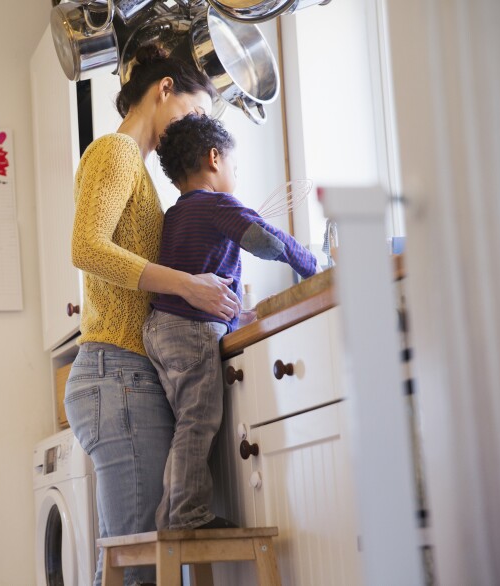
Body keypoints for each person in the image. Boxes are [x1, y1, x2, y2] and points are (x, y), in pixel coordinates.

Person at [63, 46, 241, 586]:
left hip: (122, 376)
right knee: (138, 568)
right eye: (191, 113)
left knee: (132, 562)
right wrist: (190, 284)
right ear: (164, 89)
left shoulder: (136, 171)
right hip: (117, 375)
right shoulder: (116, 153)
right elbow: (87, 248)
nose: (193, 132)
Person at [143, 112, 319, 531]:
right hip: (189, 331)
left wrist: (237, 311)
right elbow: (267, 242)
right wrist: (317, 267)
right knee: (198, 420)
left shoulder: (175, 215)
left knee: (186, 423)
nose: (235, 174)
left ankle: (172, 515)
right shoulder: (218, 203)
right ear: (214, 158)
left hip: (160, 329)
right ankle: (187, 514)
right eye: (236, 166)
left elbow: (195, 269)